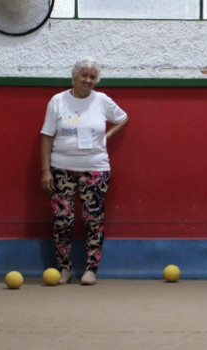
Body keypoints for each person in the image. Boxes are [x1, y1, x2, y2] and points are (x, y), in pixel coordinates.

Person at [40, 57, 129, 286]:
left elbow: (123, 118)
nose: (88, 80)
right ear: (74, 77)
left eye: (93, 77)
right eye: (84, 76)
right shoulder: (57, 101)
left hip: (96, 170)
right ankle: (65, 269)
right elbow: (47, 136)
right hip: (61, 170)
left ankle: (91, 269)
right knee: (62, 220)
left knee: (93, 220)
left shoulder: (102, 100)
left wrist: (107, 136)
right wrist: (46, 170)